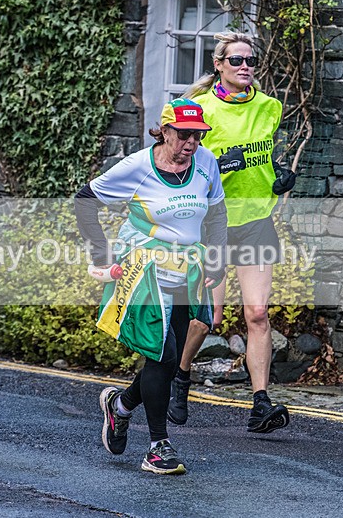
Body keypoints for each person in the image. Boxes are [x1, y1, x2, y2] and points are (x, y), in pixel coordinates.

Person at [75, 99, 227, 475]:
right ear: (164, 131)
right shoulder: (138, 167)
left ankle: (121, 406)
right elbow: (84, 201)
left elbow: (219, 211)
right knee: (162, 354)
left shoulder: (206, 164)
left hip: (185, 271)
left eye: (198, 135)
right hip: (143, 270)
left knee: (170, 357)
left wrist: (219, 258)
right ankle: (158, 445)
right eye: (184, 134)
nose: (192, 142)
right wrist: (100, 255)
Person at [167, 31, 296, 433]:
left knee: (257, 314)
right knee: (209, 318)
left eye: (251, 61)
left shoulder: (270, 107)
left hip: (256, 222)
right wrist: (221, 167)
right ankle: (180, 378)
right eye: (237, 60)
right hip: (213, 226)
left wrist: (281, 175)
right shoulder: (198, 110)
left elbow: (269, 156)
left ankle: (260, 404)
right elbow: (181, 165)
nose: (245, 67)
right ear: (219, 65)